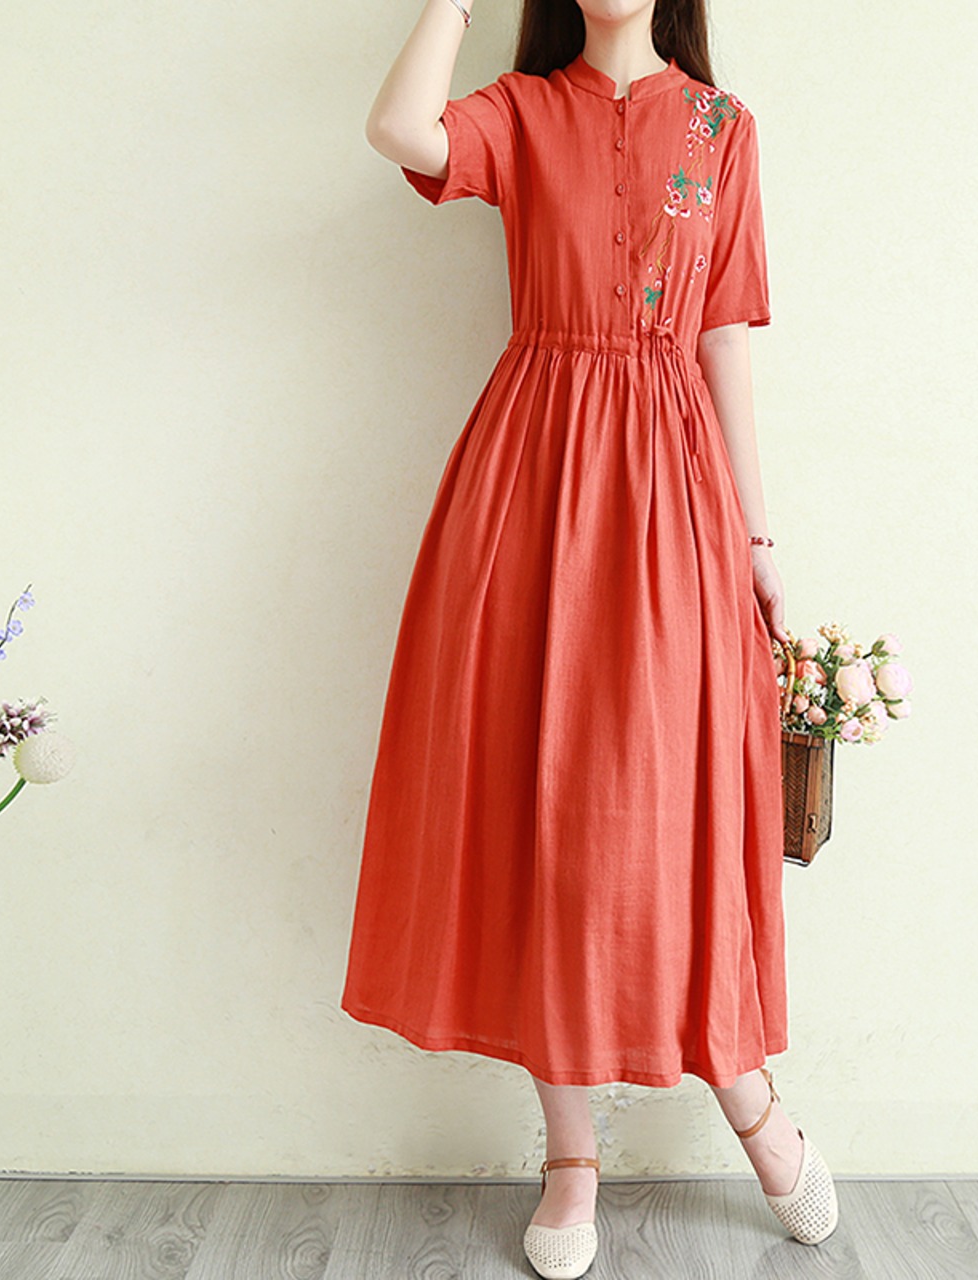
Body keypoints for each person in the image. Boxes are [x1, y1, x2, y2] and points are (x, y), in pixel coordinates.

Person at [341, 0, 838, 1273]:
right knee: (547, 811)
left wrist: (757, 537)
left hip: (674, 489)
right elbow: (397, 126)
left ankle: (750, 1098)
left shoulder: (720, 127)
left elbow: (721, 337)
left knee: (677, 812)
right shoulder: (520, 112)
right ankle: (570, 1155)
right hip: (531, 485)